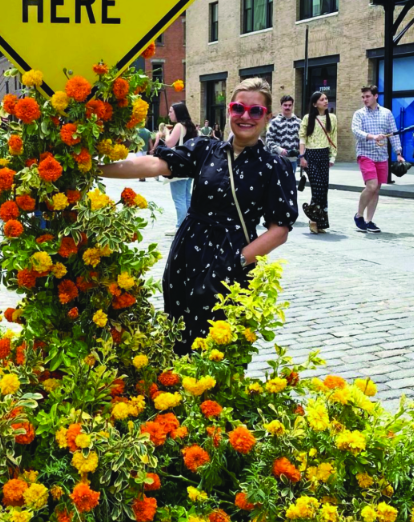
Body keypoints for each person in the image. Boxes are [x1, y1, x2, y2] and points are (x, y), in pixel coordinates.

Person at [101, 77, 297, 354]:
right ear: (229, 110)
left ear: (267, 116)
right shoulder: (205, 149)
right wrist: (96, 168)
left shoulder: (273, 166)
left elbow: (280, 230)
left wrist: (237, 261)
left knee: (219, 346)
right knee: (178, 335)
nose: (245, 116)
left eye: (256, 111)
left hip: (233, 259)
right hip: (187, 254)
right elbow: (154, 164)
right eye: (238, 108)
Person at [351, 85, 404, 232]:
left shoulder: (387, 113)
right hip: (365, 154)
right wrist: (373, 137)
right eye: (363, 97)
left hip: (381, 156)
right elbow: (356, 131)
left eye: (367, 96)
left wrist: (398, 153)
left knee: (376, 189)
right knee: (372, 185)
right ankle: (359, 215)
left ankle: (369, 221)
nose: (365, 99)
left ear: (376, 96)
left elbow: (393, 133)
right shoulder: (359, 114)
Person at [299, 92, 337, 234]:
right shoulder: (307, 118)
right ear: (315, 104)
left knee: (323, 189)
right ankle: (313, 219)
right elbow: (302, 138)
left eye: (326, 99)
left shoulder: (332, 118)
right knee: (318, 187)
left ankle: (319, 222)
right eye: (322, 99)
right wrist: (302, 157)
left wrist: (332, 157)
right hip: (310, 155)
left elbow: (334, 138)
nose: (325, 101)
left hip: (324, 155)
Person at [162, 102, 198, 236]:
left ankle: (180, 227)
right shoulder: (191, 127)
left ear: (178, 112)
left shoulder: (179, 126)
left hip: (179, 165)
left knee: (179, 198)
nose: (169, 114)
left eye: (171, 111)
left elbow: (169, 143)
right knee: (186, 197)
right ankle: (189, 226)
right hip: (189, 165)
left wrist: (167, 132)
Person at [266, 95, 301, 172]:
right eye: (285, 105)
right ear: (281, 106)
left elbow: (302, 140)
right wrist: (279, 150)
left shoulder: (298, 122)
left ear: (292, 106)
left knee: (291, 180)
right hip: (278, 160)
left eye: (289, 105)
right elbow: (268, 140)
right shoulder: (274, 122)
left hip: (293, 161)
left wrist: (299, 152)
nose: (287, 107)